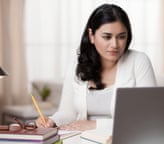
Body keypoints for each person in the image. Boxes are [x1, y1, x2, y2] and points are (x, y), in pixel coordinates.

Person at [35, 3, 157, 131]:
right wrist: (52, 121)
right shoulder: (76, 65)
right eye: (107, 37)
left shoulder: (139, 62)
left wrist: (95, 125)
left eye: (121, 37)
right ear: (91, 35)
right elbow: (67, 112)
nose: (115, 44)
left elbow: (149, 117)